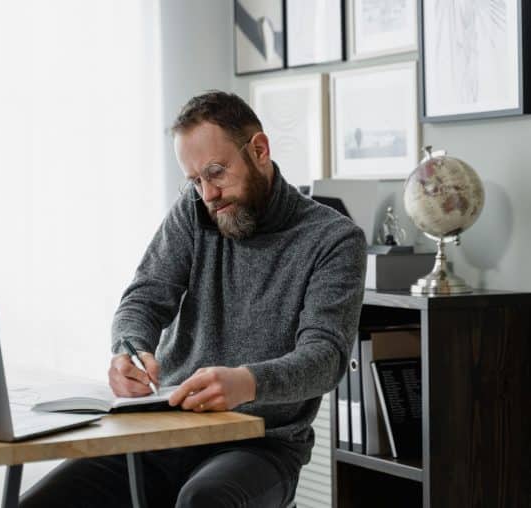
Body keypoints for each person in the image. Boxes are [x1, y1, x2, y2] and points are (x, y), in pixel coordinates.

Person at [19, 91, 366, 507]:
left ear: (259, 149)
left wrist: (247, 383)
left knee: (204, 500)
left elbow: (325, 358)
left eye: (216, 172)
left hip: (259, 444)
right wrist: (128, 349)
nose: (208, 193)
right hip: (164, 431)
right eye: (195, 180)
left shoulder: (333, 239)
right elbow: (144, 299)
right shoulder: (194, 211)